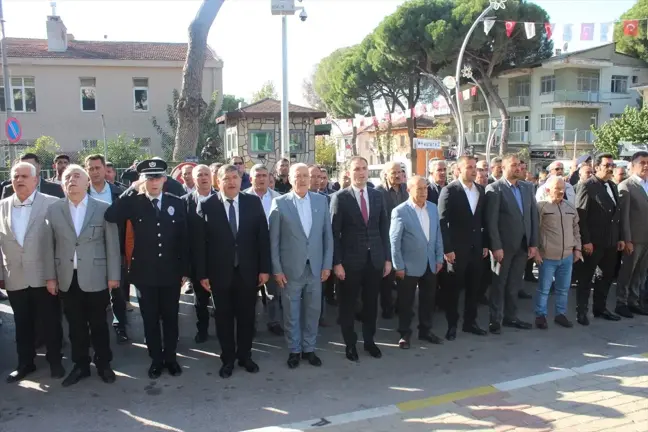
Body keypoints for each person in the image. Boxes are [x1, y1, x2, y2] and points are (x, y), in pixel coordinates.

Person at [104, 159, 189, 379]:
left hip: (170, 272)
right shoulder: (135, 202)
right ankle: (156, 359)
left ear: (164, 179)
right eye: (149, 178)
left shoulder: (176, 202)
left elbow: (183, 239)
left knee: (170, 318)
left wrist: (184, 271)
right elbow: (111, 216)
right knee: (150, 319)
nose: (154, 182)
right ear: (143, 180)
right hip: (144, 273)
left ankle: (170, 358)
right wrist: (130, 190)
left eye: (158, 177)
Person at [42, 164, 120, 387]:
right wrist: (50, 277)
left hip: (96, 277)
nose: (71, 180)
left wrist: (114, 276)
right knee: (75, 326)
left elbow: (112, 245)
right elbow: (49, 246)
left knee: (99, 324)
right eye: (67, 177)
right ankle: (81, 365)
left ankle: (104, 364)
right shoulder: (54, 210)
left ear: (87, 182)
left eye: (76, 176)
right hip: (67, 277)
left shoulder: (103, 207)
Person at [193, 164, 271, 378]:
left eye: (235, 177)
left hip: (248, 271)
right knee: (223, 318)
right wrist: (202, 274)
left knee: (247, 317)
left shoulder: (252, 202)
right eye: (226, 178)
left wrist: (265, 268)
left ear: (241, 179)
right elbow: (200, 244)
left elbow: (262, 238)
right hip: (219, 274)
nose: (231, 182)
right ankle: (227, 359)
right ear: (218, 182)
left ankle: (245, 356)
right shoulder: (207, 205)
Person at [0, 162, 65, 383]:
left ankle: (56, 361)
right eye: (15, 176)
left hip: (44, 276)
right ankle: (25, 363)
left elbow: (60, 242)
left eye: (24, 176)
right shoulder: (2, 206)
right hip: (14, 276)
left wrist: (55, 274)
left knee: (50, 322)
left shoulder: (53, 204)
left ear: (36, 179)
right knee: (22, 324)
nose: (19, 180)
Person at [269, 163, 333, 368]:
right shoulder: (280, 203)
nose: (303, 179)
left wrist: (327, 265)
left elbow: (327, 237)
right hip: (290, 270)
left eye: (306, 175)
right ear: (290, 179)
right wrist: (277, 269)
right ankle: (294, 350)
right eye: (298, 176)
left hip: (315, 268)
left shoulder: (321, 201)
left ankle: (309, 348)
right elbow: (274, 241)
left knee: (313, 311)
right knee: (291, 312)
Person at [330, 156, 390, 361]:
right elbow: (334, 233)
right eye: (357, 169)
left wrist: (387, 259)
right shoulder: (340, 198)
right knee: (348, 305)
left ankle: (370, 341)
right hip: (350, 262)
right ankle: (350, 344)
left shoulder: (376, 195)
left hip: (374, 260)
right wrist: (337, 262)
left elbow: (384, 228)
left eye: (364, 168)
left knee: (371, 303)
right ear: (349, 172)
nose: (361, 172)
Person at [485, 154, 538, 333]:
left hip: (523, 246)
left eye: (519, 165)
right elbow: (491, 222)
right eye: (514, 165)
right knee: (499, 284)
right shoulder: (495, 189)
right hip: (503, 247)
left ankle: (511, 317)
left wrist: (533, 243)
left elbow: (532, 217)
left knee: (515, 283)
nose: (518, 168)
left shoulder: (527, 187)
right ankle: (495, 319)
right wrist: (496, 246)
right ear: (503, 168)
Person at [437, 156, 489, 341]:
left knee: (474, 288)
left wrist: (485, 244)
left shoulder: (481, 191)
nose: (474, 171)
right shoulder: (449, 191)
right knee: (453, 289)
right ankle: (452, 325)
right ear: (459, 169)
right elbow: (442, 222)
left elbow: (483, 220)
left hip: (476, 249)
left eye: (476, 167)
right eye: (469, 167)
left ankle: (470, 322)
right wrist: (447, 248)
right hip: (456, 250)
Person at [390, 176, 444, 349]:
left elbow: (437, 235)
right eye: (419, 189)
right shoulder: (400, 211)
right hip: (408, 265)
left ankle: (425, 330)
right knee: (406, 302)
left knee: (428, 299)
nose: (423, 192)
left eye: (425, 188)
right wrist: (398, 266)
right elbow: (394, 242)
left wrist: (438, 258)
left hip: (430, 263)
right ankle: (404, 333)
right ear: (409, 190)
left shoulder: (433, 208)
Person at [85, 154, 130, 344]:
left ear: (105, 169)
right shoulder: (80, 192)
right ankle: (93, 328)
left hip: (116, 248)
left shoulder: (121, 193)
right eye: (91, 169)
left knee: (118, 290)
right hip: (89, 250)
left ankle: (120, 325)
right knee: (92, 292)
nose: (95, 172)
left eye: (98, 168)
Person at [575, 153, 624, 325]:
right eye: (607, 165)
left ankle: (600, 308)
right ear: (597, 167)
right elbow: (580, 215)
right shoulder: (587, 186)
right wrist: (585, 241)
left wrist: (620, 238)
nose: (610, 168)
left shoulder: (612, 185)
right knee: (586, 278)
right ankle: (581, 311)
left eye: (612, 165)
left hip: (610, 241)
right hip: (593, 242)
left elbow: (617, 214)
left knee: (606, 276)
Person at [534, 177, 582, 329]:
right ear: (548, 190)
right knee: (544, 289)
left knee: (563, 289)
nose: (561, 191)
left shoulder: (570, 206)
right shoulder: (541, 207)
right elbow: (534, 231)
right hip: (547, 256)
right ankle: (540, 316)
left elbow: (576, 230)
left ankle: (560, 314)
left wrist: (577, 249)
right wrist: (536, 252)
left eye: (563, 188)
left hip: (567, 257)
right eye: (557, 188)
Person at [243, 164, 282, 336]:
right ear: (251, 179)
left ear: (269, 178)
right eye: (257, 175)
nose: (261, 178)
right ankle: (250, 324)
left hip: (272, 252)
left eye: (264, 175)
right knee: (250, 293)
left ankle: (273, 322)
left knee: (273, 292)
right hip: (250, 253)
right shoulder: (242, 198)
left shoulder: (279, 198)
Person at [182, 164, 217, 343]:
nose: (203, 178)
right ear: (192, 179)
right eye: (199, 175)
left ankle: (222, 329)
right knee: (200, 301)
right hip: (196, 261)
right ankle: (202, 329)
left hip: (219, 260)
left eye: (206, 174)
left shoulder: (221, 199)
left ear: (212, 177)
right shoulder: (184, 202)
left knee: (221, 299)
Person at [373, 161, 408, 319]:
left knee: (403, 275)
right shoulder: (378, 192)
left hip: (405, 239)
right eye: (394, 172)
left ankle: (402, 305)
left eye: (400, 172)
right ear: (386, 174)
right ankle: (387, 308)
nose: (398, 175)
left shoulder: (406, 190)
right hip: (385, 238)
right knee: (387, 277)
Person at [616, 151, 648, 317]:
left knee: (641, 273)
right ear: (633, 165)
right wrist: (627, 239)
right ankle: (621, 302)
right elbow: (624, 217)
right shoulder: (626, 186)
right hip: (634, 239)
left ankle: (634, 301)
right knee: (627, 271)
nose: (646, 165)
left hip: (646, 239)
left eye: (647, 162)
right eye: (642, 162)